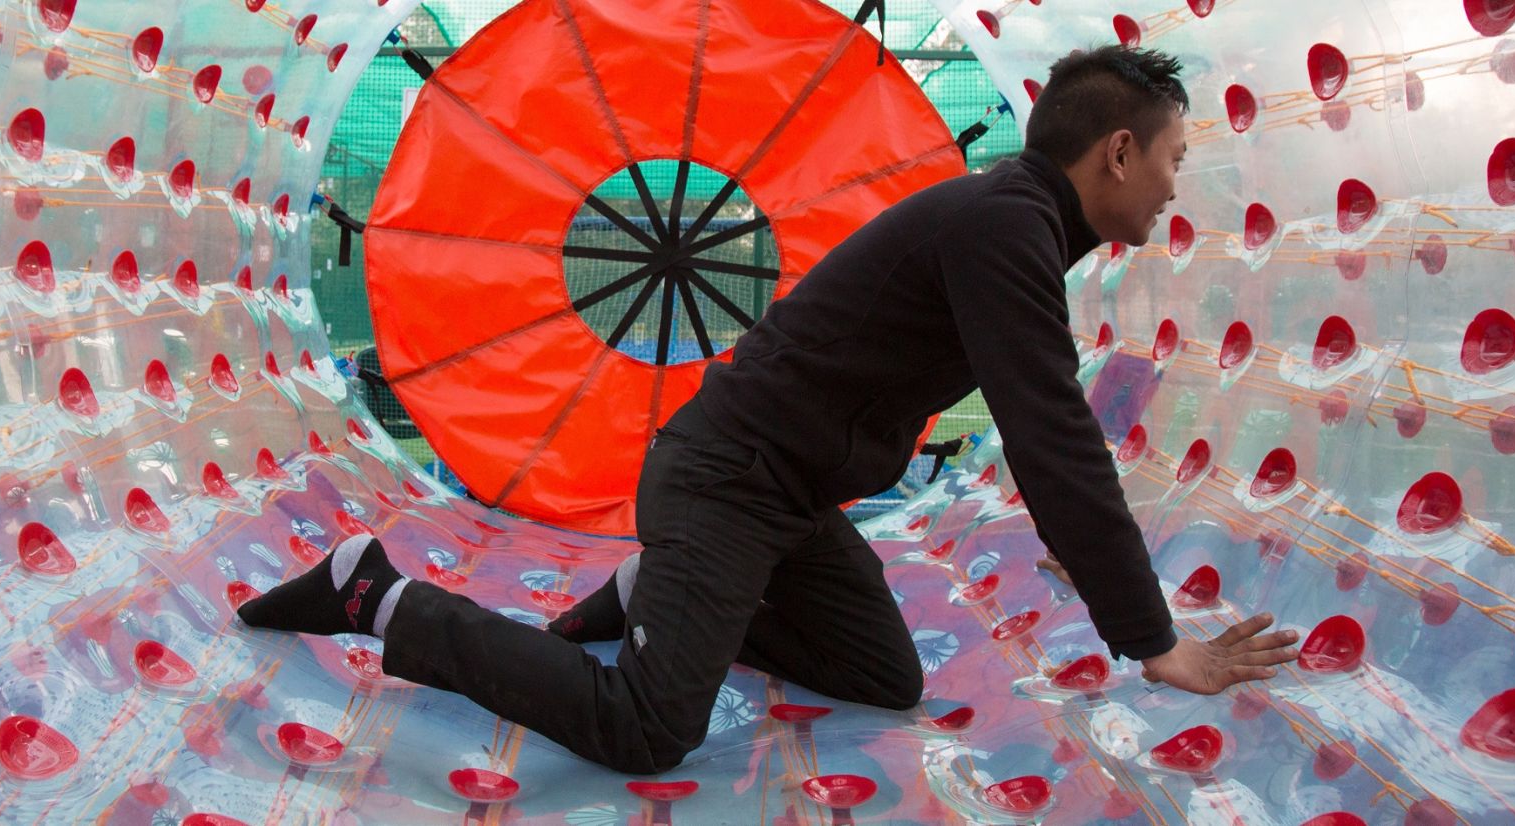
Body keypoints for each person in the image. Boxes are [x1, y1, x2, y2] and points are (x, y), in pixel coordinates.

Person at [235, 45, 1301, 775]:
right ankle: (377, 593)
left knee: (884, 677)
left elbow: (1042, 423)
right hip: (724, 478)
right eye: (1172, 160)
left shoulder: (1016, 227)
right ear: (1117, 150)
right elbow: (1051, 434)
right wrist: (1151, 640)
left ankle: (662, 589)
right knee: (648, 727)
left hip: (787, 496)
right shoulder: (1004, 228)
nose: (1173, 186)